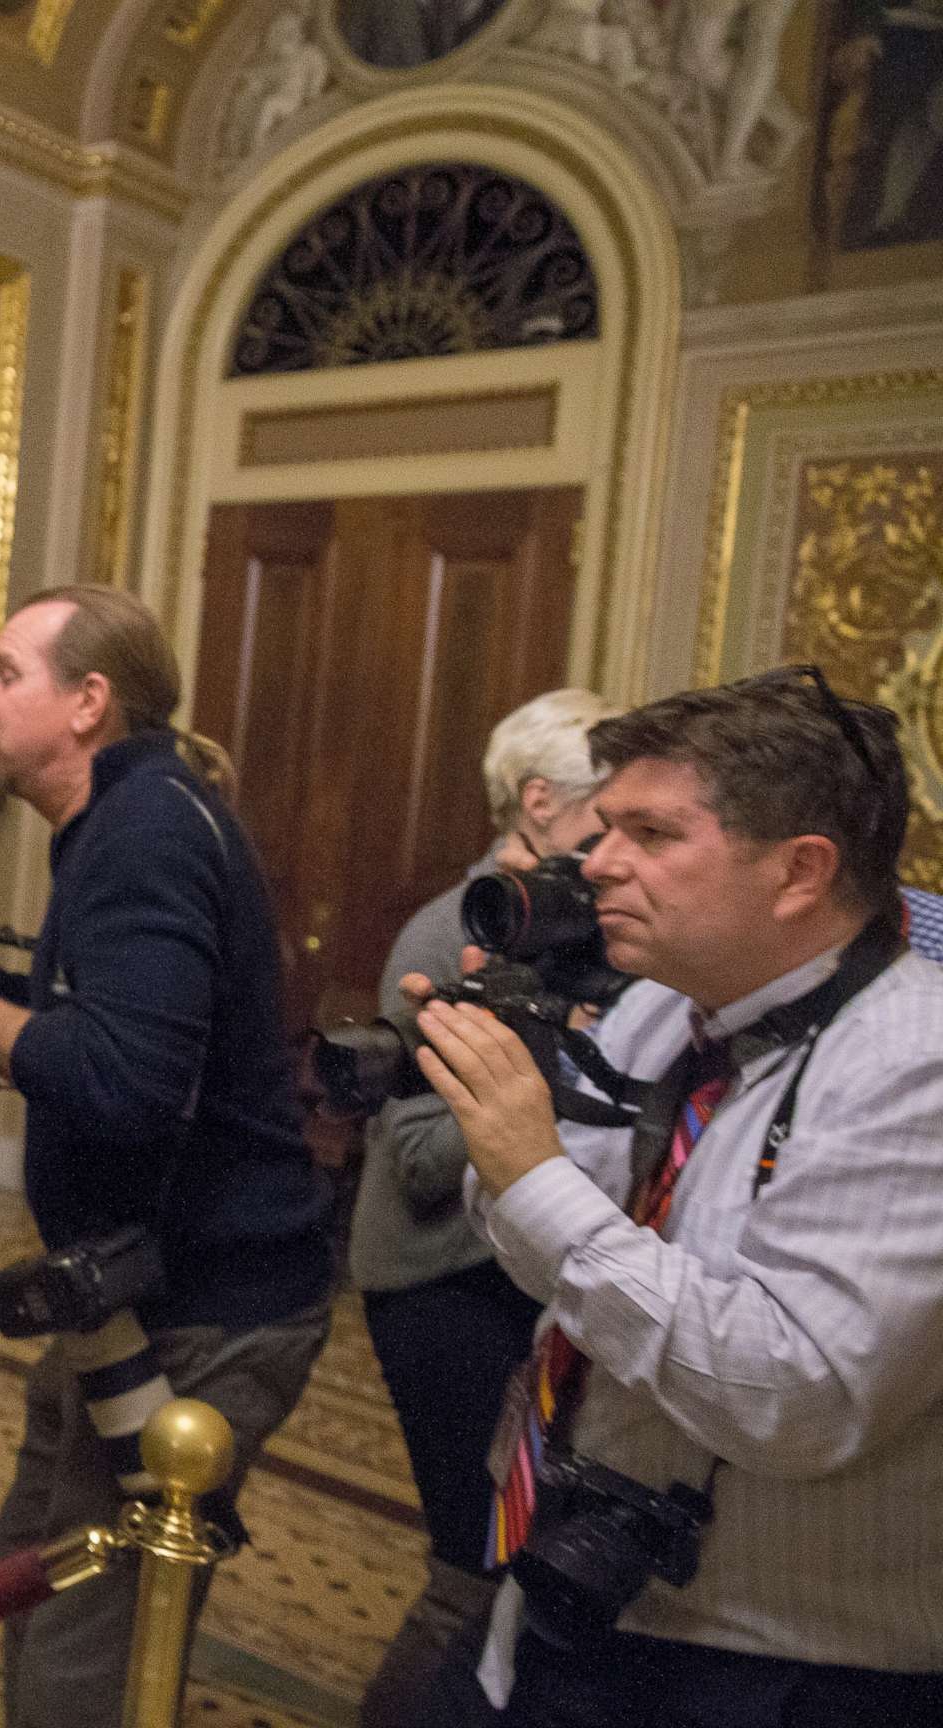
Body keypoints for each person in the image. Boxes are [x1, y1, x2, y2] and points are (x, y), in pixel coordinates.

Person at [408, 666, 943, 1726]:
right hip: (573, 1588)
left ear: (800, 872)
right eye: (604, 829)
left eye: (650, 837)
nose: (596, 865)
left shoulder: (913, 1064)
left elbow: (798, 1395)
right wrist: (509, 1132)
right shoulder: (665, 1009)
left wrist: (536, 1177)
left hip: (783, 1666)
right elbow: (543, 1251)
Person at [0, 583, 333, 1728]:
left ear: (88, 703)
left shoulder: (148, 829)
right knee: (37, 1570)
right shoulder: (127, 816)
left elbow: (126, 1084)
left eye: (8, 672)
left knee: (87, 1650)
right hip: (126, 1293)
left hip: (203, 1307)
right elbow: (114, 1028)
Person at [349, 687, 616, 1728]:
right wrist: (548, 1076)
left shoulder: (584, 926)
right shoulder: (448, 932)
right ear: (540, 802)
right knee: (471, 1563)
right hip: (436, 1286)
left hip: (509, 1279)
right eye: (611, 809)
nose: (620, 840)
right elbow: (416, 1155)